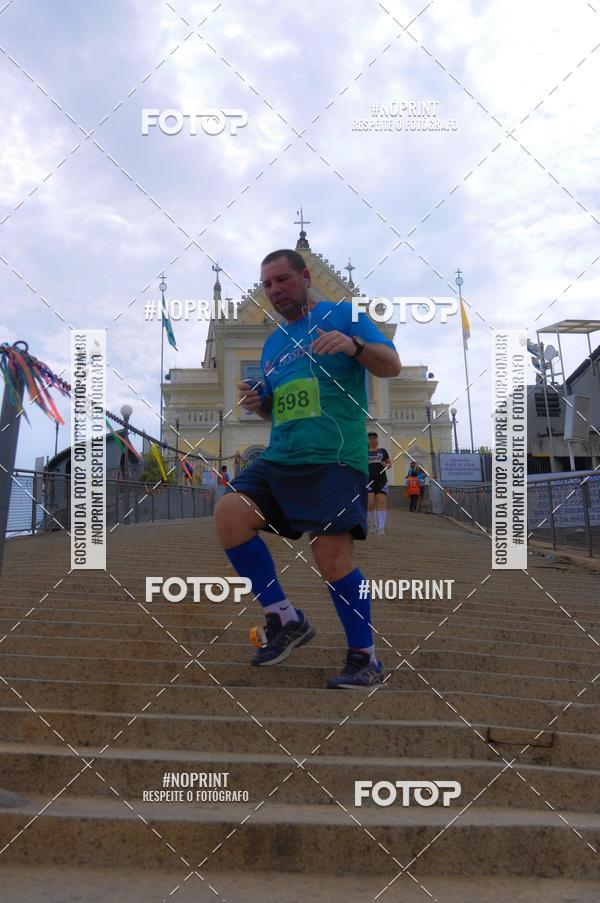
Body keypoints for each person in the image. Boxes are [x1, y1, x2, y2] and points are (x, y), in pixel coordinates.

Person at [214, 248, 401, 689]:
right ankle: (284, 618)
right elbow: (278, 412)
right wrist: (260, 404)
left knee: (331, 557)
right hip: (281, 457)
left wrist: (355, 346)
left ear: (305, 276)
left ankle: (365, 658)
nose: (275, 290)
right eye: (267, 285)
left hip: (334, 457)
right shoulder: (274, 343)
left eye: (282, 280)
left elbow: (390, 365)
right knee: (230, 514)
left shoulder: (344, 314)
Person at [367, 432, 391, 534]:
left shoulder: (383, 451)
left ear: (377, 440)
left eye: (374, 438)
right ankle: (372, 525)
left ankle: (381, 527)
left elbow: (389, 464)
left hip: (381, 480)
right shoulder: (364, 452)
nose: (372, 440)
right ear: (368, 441)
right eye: (370, 438)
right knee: (370, 503)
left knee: (381, 502)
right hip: (368, 481)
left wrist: (386, 464)